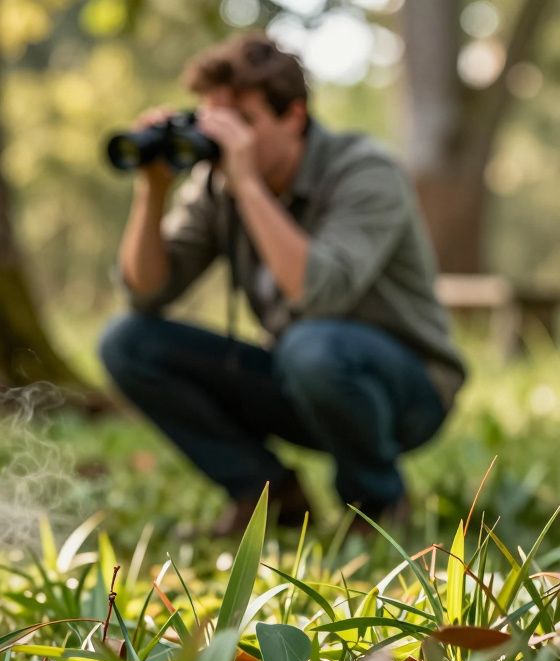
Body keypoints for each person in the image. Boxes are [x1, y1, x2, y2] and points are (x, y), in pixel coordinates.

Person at [97, 33, 465, 535]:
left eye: (244, 123)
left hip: (406, 391)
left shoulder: (365, 172)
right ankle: (270, 495)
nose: (230, 142)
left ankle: (377, 506)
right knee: (128, 342)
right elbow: (145, 292)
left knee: (312, 345)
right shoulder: (217, 185)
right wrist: (153, 191)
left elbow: (317, 292)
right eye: (218, 124)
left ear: (294, 116)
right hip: (305, 374)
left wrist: (247, 185)